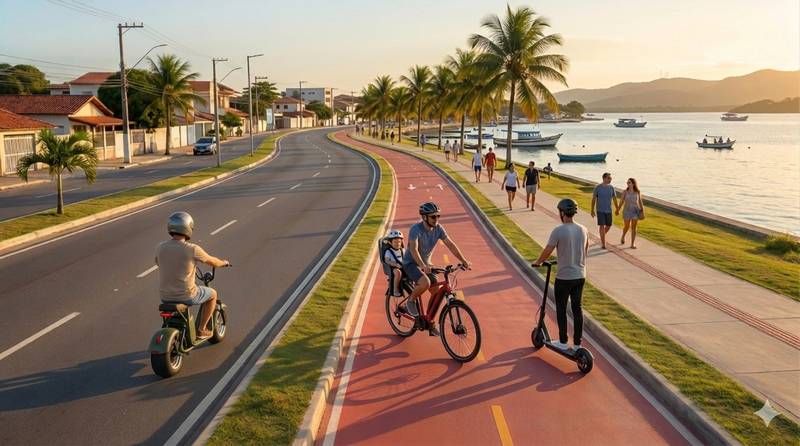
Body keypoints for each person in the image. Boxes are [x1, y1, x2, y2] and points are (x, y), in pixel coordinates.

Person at [156, 212, 231, 339]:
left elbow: (159, 263)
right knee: (212, 294)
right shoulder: (192, 249)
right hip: (186, 294)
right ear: (188, 227)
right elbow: (212, 261)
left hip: (165, 296)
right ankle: (201, 329)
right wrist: (224, 263)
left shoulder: (160, 247)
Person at [402, 202, 471, 336]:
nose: (436, 219)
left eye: (438, 216)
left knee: (436, 291)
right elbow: (413, 248)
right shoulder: (415, 229)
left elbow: (450, 244)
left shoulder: (439, 228)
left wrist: (463, 261)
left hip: (427, 264)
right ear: (424, 217)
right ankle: (410, 301)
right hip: (411, 263)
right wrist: (422, 265)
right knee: (425, 283)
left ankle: (429, 321)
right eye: (433, 217)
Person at [532, 199, 589, 350]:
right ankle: (577, 344)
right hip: (580, 275)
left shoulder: (559, 230)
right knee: (577, 309)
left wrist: (538, 262)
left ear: (562, 213)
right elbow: (585, 249)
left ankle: (563, 341)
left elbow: (548, 249)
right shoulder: (583, 229)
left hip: (564, 277)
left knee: (562, 308)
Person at [591, 173, 619, 249]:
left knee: (609, 225)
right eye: (608, 178)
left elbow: (615, 199)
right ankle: (603, 243)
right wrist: (592, 210)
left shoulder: (611, 188)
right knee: (602, 226)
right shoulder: (598, 187)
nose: (610, 179)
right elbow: (594, 199)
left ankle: (601, 235)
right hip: (600, 210)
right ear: (604, 178)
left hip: (609, 210)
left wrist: (617, 208)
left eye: (610, 178)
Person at [616, 177, 645, 249]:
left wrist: (642, 211)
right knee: (627, 226)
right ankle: (623, 236)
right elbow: (621, 201)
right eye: (627, 182)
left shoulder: (638, 192)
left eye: (629, 182)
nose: (627, 184)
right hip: (627, 211)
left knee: (634, 227)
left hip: (635, 211)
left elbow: (640, 202)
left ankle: (632, 244)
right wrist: (618, 209)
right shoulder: (625, 192)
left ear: (633, 183)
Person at [383, 230, 405, 297]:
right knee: (398, 272)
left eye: (399, 242)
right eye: (395, 242)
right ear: (390, 242)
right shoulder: (388, 251)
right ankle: (395, 289)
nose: (397, 244)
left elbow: (406, 258)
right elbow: (387, 261)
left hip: (402, 266)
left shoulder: (402, 250)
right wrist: (395, 264)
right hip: (392, 267)